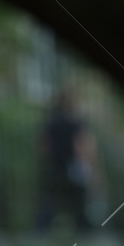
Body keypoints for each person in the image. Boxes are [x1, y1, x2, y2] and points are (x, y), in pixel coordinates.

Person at [34, 88, 98, 233]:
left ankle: (40, 233)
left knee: (49, 202)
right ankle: (84, 233)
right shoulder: (76, 123)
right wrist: (91, 168)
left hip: (54, 168)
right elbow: (82, 146)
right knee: (79, 203)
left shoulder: (50, 123)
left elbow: (43, 147)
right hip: (73, 169)